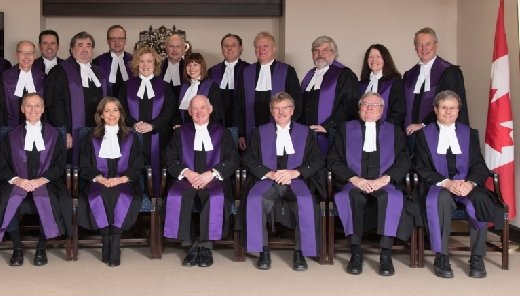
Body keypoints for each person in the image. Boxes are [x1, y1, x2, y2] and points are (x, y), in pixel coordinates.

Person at [414, 90, 504, 279]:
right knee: (440, 199)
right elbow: (420, 167)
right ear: (436, 109)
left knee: (479, 199)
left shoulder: (469, 133)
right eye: (444, 108)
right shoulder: (423, 135)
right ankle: (442, 256)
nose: (448, 112)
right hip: (438, 185)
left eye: (452, 108)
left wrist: (469, 183)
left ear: (458, 110)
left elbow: (479, 165)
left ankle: (477, 257)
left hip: (465, 184)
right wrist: (446, 183)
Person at [0, 93, 72, 266]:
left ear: (43, 109)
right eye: (28, 105)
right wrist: (18, 180)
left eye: (37, 106)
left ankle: (41, 248)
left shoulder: (55, 134)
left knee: (46, 197)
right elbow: (2, 167)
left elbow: (60, 166)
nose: (33, 109)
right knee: (10, 197)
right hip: (18, 182)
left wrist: (41, 180)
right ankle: (17, 248)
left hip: (46, 182)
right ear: (22, 109)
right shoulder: (11, 136)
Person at [326, 92, 413, 276]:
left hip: (384, 183)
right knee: (349, 197)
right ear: (359, 109)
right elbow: (333, 160)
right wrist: (354, 179)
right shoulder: (345, 130)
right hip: (354, 183)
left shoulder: (394, 131)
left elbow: (404, 161)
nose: (370, 108)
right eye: (365, 104)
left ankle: (386, 254)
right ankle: (356, 253)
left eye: (375, 105)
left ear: (382, 111)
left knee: (392, 197)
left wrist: (385, 179)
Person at [240, 92, 324, 271]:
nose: (281, 112)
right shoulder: (259, 132)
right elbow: (248, 158)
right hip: (268, 181)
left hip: (295, 181)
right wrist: (268, 173)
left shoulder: (305, 133)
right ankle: (263, 250)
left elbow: (317, 160)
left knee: (306, 201)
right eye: (276, 108)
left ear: (292, 110)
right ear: (271, 111)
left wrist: (296, 172)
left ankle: (299, 252)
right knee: (255, 200)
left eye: (285, 108)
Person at [163, 95, 239, 267]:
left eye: (202, 107)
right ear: (189, 112)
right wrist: (187, 173)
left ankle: (206, 247)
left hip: (214, 179)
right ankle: (189, 245)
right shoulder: (180, 132)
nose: (199, 112)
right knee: (180, 196)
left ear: (210, 109)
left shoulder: (222, 132)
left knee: (214, 197)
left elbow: (233, 160)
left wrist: (211, 174)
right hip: (187, 179)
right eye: (195, 109)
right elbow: (168, 158)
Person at [77, 97, 144, 266]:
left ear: (120, 114)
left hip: (125, 182)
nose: (111, 114)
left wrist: (122, 179)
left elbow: (138, 165)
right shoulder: (91, 137)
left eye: (115, 110)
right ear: (101, 115)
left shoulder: (131, 137)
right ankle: (106, 241)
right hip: (98, 181)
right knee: (100, 194)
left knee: (120, 194)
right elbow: (84, 164)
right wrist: (99, 178)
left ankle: (115, 244)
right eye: (107, 111)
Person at [117, 46, 176, 196]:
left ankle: (155, 202)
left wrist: (152, 126)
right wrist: (133, 124)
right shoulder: (126, 86)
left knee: (157, 170)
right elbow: (121, 110)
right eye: (141, 61)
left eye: (149, 61)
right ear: (136, 63)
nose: (145, 65)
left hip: (158, 137)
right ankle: (133, 201)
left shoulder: (165, 86)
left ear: (155, 64)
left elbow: (169, 112)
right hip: (131, 136)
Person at [44, 31, 109, 163]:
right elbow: (54, 106)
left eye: (88, 45)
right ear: (72, 49)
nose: (85, 49)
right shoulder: (59, 72)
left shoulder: (100, 73)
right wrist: (64, 132)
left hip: (97, 130)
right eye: (80, 45)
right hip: (72, 132)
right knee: (74, 164)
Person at [234, 32, 301, 150]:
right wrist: (241, 133)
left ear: (274, 49)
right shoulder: (246, 72)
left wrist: (288, 129)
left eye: (265, 46)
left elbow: (296, 102)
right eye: (258, 46)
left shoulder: (287, 71)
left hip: (280, 130)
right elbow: (238, 105)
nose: (261, 50)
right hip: (251, 130)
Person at [403, 27, 469, 136]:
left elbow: (450, 107)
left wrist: (424, 124)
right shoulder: (409, 75)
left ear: (436, 45)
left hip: (438, 134)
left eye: (428, 44)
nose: (424, 48)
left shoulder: (449, 72)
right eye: (419, 45)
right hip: (411, 135)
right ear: (415, 48)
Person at [299, 35, 358, 155]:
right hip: (308, 134)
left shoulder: (344, 74)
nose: (320, 54)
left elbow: (348, 105)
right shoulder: (309, 75)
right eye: (316, 50)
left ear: (334, 53)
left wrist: (327, 126)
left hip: (331, 133)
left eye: (325, 50)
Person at [0, 40, 45, 130]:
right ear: (17, 54)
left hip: (38, 129)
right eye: (23, 53)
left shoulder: (44, 78)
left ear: (34, 55)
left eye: (30, 53)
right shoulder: (2, 78)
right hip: (10, 129)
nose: (26, 56)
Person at [357, 44, 405, 128]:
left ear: (385, 59)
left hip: (387, 130)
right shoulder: (361, 84)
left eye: (378, 56)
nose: (374, 60)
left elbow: (398, 112)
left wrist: (382, 129)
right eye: (370, 57)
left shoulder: (395, 82)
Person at [208, 33, 249, 128]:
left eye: (233, 45)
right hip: (217, 120)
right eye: (226, 46)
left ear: (241, 48)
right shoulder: (212, 71)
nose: (229, 48)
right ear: (222, 49)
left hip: (241, 121)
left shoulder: (249, 70)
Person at [176, 52, 224, 126]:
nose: (191, 68)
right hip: (185, 129)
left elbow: (217, 113)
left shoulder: (212, 86)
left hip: (205, 129)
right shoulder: (183, 87)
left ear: (202, 67)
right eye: (189, 65)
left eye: (195, 65)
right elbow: (177, 111)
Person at [93, 25, 133, 97]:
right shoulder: (97, 62)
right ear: (108, 41)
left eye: (120, 38)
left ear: (125, 41)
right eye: (113, 39)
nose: (117, 42)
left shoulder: (135, 61)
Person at [161, 33, 186, 101]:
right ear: (166, 48)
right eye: (171, 46)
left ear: (183, 49)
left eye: (178, 46)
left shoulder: (189, 68)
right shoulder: (157, 67)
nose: (175, 50)